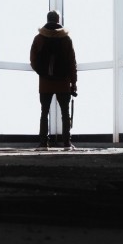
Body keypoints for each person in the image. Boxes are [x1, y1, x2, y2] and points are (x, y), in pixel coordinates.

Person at [30, 10, 78, 150]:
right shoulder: (66, 39)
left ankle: (44, 143)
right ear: (58, 19)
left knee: (44, 112)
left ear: (47, 19)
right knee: (65, 113)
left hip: (45, 82)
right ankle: (67, 143)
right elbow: (72, 63)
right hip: (63, 82)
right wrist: (73, 82)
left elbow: (33, 60)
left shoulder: (39, 38)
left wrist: (43, 73)